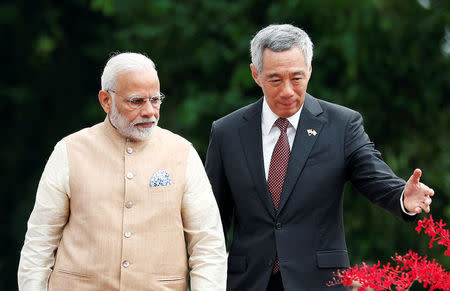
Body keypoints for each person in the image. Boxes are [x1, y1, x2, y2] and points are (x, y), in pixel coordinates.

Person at [205, 24, 434, 290]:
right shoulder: (227, 132)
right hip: (248, 281)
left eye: (297, 77)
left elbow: (372, 174)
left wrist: (402, 196)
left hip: (319, 281)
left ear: (310, 70)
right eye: (276, 79)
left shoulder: (342, 125)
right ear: (256, 74)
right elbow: (212, 219)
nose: (288, 90)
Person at [18, 52, 227, 291]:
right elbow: (39, 242)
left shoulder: (182, 153)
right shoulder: (69, 151)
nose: (150, 111)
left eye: (156, 100)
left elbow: (207, 245)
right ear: (106, 100)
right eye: (136, 101)